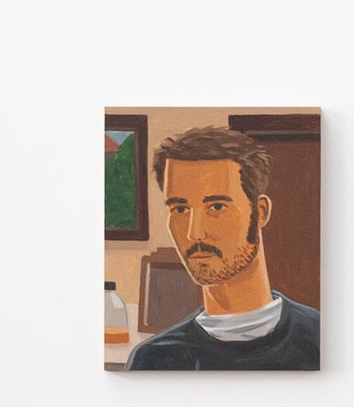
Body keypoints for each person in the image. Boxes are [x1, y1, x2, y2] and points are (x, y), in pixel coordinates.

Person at [127, 126, 320, 371]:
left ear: (260, 213)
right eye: (180, 209)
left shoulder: (320, 339)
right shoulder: (154, 360)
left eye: (216, 207)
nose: (194, 233)